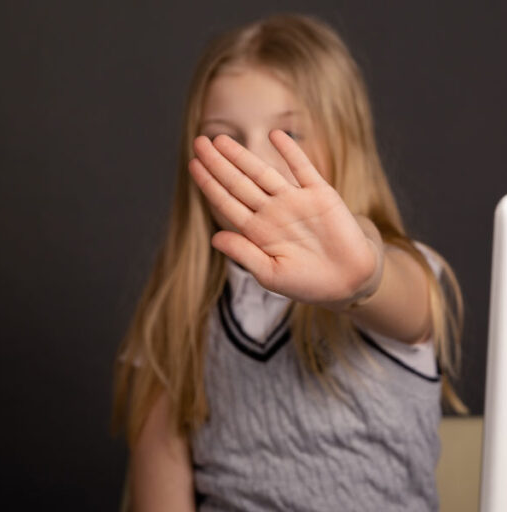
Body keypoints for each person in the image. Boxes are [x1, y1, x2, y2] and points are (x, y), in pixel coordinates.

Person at [112, 13, 465, 511]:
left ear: (345, 143)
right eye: (225, 137)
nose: (253, 158)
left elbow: (404, 299)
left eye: (289, 135)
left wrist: (361, 276)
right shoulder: (176, 311)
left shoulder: (400, 273)